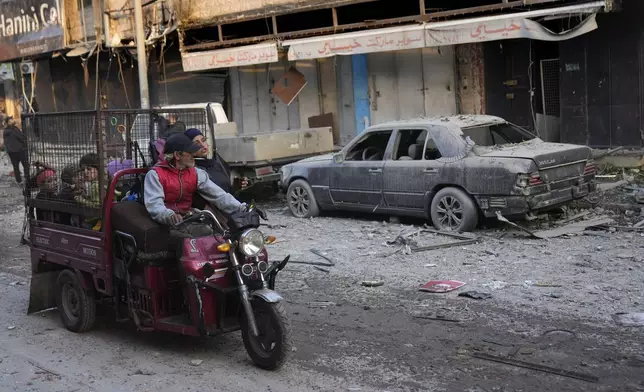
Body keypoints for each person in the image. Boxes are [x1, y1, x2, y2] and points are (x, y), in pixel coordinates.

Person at [143, 133, 246, 229]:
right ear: (177, 155)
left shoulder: (196, 173)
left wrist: (242, 208)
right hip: (164, 223)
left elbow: (219, 196)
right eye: (190, 153)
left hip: (188, 217)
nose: (194, 155)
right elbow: (155, 205)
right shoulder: (155, 175)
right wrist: (169, 216)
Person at [183, 128, 248, 194]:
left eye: (203, 140)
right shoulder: (192, 169)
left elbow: (226, 191)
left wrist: (237, 186)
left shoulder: (216, 162)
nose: (203, 145)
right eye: (196, 143)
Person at [3, 116, 28, 184]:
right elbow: (22, 138)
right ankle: (27, 178)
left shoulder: (5, 131)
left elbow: (6, 143)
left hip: (11, 152)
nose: (13, 121)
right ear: (8, 122)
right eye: (11, 120)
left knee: (16, 167)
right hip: (20, 150)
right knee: (25, 165)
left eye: (12, 119)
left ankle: (19, 180)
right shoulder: (15, 129)